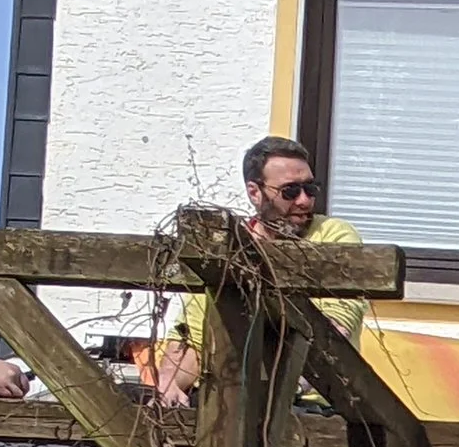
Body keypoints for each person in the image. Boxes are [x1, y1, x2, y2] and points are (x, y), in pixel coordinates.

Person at [154, 135, 366, 407]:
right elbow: (192, 336)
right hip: (227, 402)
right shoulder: (228, 248)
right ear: (255, 192)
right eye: (290, 191)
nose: (304, 200)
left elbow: (336, 327)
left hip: (311, 402)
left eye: (310, 188)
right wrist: (168, 388)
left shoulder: (333, 235)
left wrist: (279, 389)